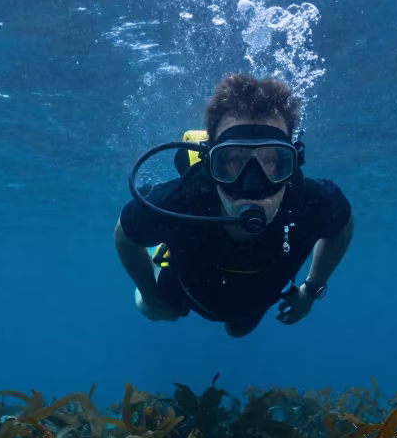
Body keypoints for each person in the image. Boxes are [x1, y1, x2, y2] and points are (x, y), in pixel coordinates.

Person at [115, 73, 354, 338]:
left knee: (238, 330)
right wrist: (150, 294)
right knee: (149, 309)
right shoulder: (180, 200)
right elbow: (125, 234)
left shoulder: (313, 201)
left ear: (292, 163)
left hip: (252, 302)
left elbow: (343, 225)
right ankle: (161, 254)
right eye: (232, 160)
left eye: (273, 161)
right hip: (182, 288)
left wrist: (311, 290)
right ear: (210, 164)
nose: (252, 186)